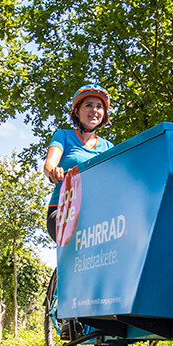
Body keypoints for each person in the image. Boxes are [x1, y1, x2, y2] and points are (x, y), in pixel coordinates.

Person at [43, 84, 115, 241]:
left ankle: (62, 267)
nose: (94, 110)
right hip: (62, 210)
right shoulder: (64, 136)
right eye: (88, 105)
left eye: (99, 106)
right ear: (77, 111)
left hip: (96, 211)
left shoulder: (108, 146)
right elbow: (49, 165)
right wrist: (54, 171)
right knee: (82, 237)